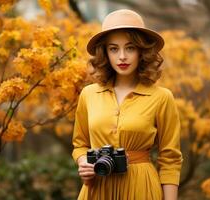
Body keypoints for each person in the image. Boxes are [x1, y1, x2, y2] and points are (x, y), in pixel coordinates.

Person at [72, 9, 183, 200]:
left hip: (142, 188)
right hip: (98, 188)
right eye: (114, 48)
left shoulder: (162, 97)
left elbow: (170, 159)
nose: (122, 56)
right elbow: (79, 144)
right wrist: (84, 162)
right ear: (105, 52)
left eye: (130, 47)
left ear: (142, 51)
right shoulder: (89, 94)